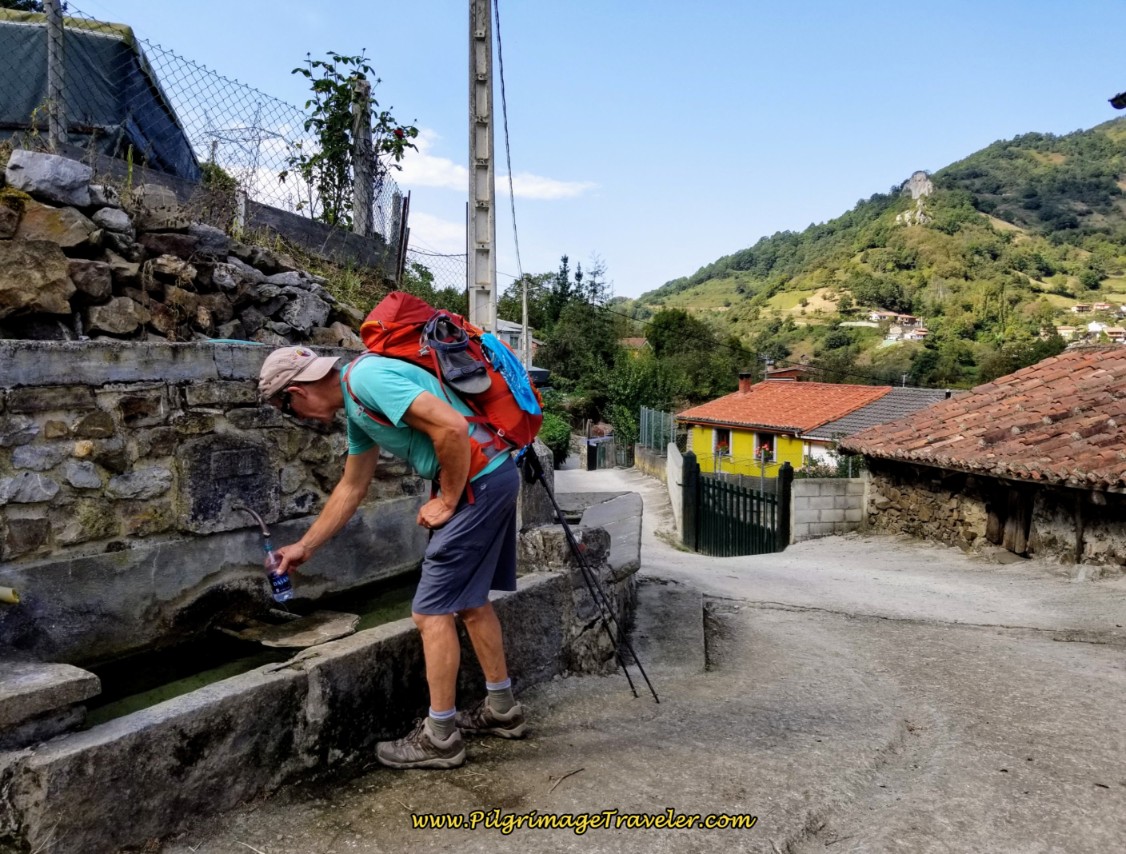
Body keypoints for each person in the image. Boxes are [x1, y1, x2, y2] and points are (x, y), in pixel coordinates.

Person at [258, 344, 527, 770]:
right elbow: (352, 486)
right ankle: (502, 709)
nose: (296, 416)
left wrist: (448, 500)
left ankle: (440, 738)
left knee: (429, 613)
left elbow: (452, 428)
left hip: (476, 484)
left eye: (287, 408)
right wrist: (305, 546)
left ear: (297, 390)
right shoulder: (358, 406)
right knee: (471, 602)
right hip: (492, 476)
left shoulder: (366, 380)